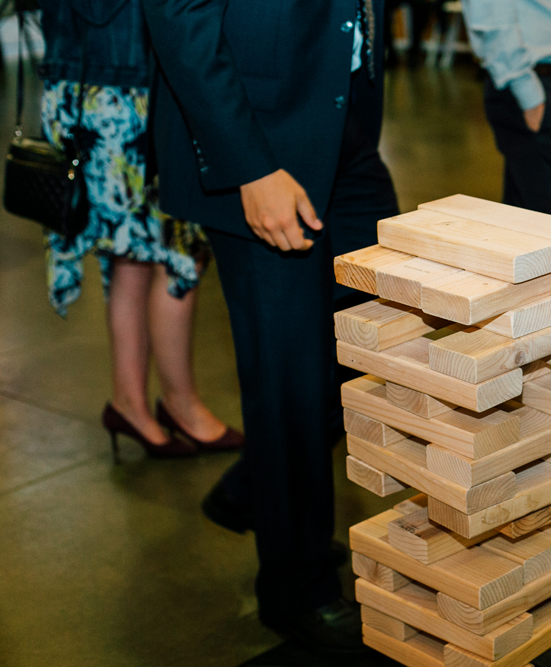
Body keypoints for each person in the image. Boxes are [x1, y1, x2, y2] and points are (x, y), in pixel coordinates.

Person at [142, 0, 399, 653]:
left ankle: (256, 484)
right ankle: (296, 587)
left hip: (345, 120)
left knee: (384, 330)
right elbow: (177, 13)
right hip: (258, 134)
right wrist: (248, 165)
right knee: (289, 374)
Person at [37, 0, 242, 460]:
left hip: (107, 87)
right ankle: (177, 403)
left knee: (134, 255)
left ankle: (133, 401)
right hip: (120, 98)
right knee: (178, 253)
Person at [462, 0, 551, 222]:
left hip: (550, 81)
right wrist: (526, 90)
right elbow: (491, 13)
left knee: (527, 225)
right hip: (535, 85)